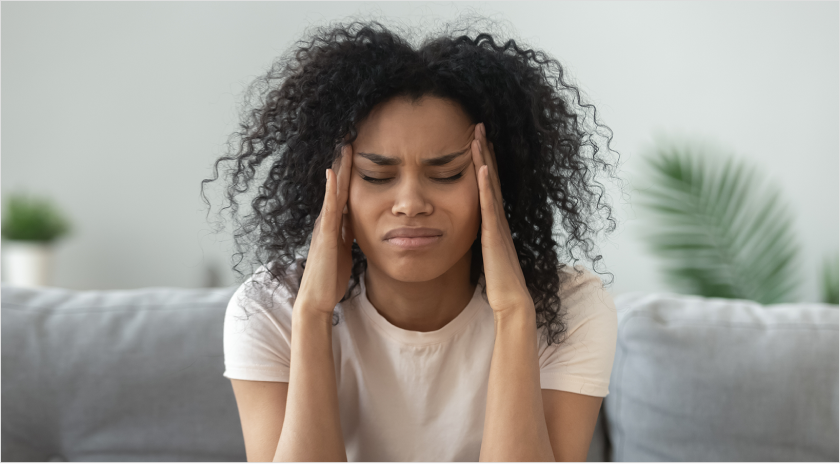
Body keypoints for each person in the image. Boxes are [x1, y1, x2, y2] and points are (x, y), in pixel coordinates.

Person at [203, 19, 620, 462]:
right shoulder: (272, 308)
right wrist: (312, 313)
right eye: (377, 176)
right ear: (334, 188)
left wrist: (515, 314)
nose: (410, 203)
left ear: (498, 182)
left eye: (447, 174)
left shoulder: (568, 307)